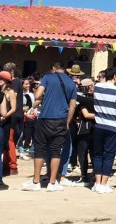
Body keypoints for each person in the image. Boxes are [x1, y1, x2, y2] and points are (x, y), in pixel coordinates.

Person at [25, 62, 77, 192]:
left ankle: (36, 181)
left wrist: (43, 93)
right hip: (61, 120)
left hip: (45, 118)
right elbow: (73, 106)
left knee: (39, 149)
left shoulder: (47, 78)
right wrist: (67, 122)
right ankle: (52, 182)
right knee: (56, 151)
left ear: (53, 68)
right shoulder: (71, 83)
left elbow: (37, 96)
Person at [90, 67, 116, 194]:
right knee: (109, 155)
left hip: (98, 124)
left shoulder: (97, 86)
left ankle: (97, 182)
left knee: (97, 154)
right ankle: (104, 184)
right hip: (112, 125)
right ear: (115, 76)